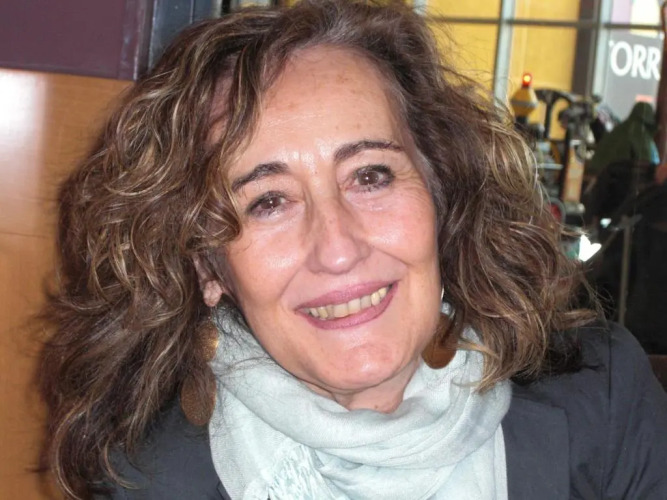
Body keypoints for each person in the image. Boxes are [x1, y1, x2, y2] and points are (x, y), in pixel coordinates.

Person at [38, 1, 667, 498]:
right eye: (268, 201)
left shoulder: (604, 399)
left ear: (442, 193)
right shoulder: (146, 479)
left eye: (370, 175)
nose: (336, 249)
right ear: (208, 266)